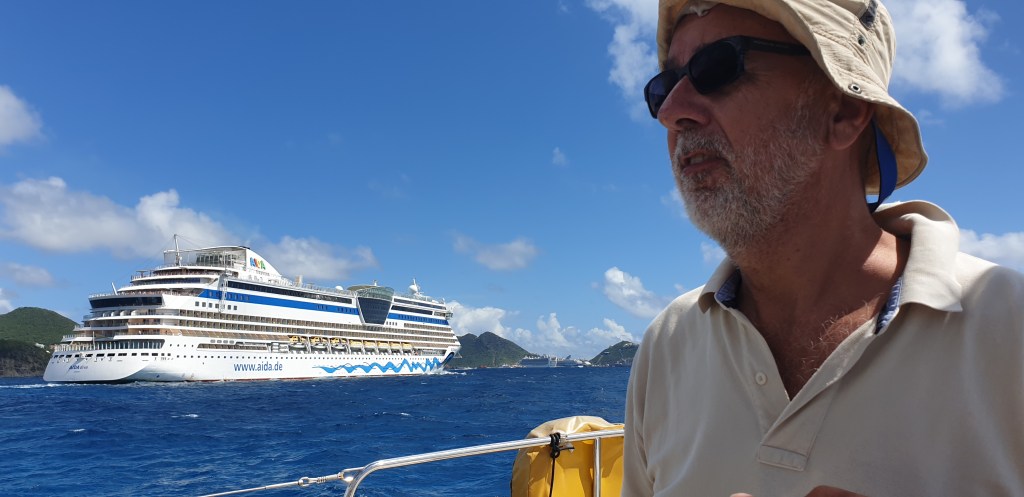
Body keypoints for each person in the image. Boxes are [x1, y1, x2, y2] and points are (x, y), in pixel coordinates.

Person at [622, 0, 1024, 496]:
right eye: (664, 86)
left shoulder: (1011, 328)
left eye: (717, 67)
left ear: (844, 109)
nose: (671, 112)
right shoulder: (666, 344)